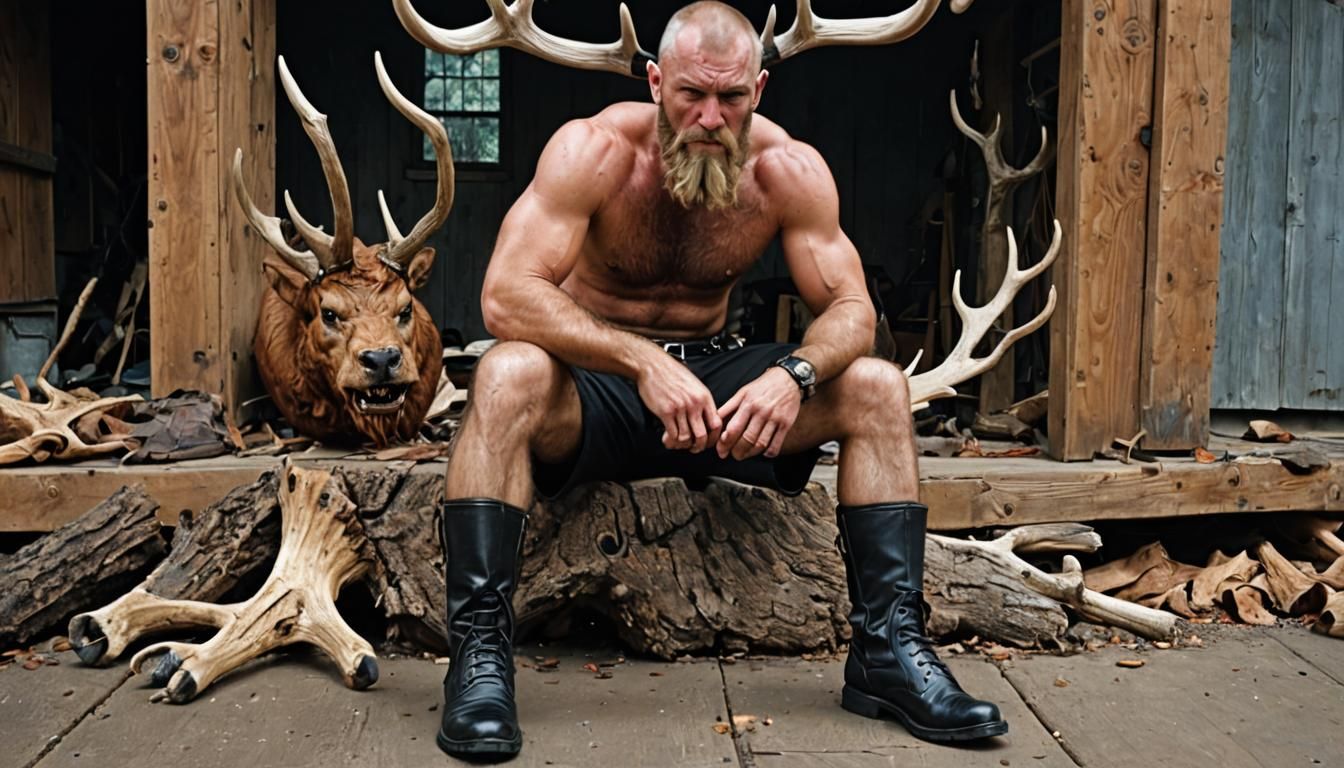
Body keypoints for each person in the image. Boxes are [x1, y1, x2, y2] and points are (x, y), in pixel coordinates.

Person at [434, 2, 1006, 759]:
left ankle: (887, 655)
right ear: (654, 81)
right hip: (600, 388)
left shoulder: (785, 171)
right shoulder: (592, 152)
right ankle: (478, 661)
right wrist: (641, 361)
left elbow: (852, 308)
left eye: (730, 98)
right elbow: (506, 295)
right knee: (506, 373)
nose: (709, 118)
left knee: (875, 387)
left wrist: (794, 375)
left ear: (759, 89)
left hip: (718, 397)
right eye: (689, 96)